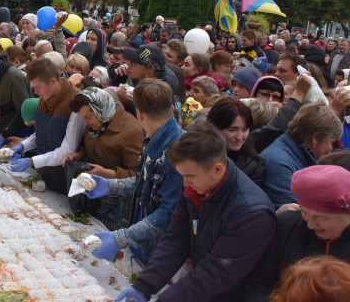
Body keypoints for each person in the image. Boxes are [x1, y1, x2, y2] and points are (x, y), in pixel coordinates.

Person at [115, 121, 275, 302]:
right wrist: (144, 285)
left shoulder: (252, 214)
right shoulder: (196, 187)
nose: (185, 183)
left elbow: (214, 274)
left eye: (190, 176)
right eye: (182, 175)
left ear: (217, 169)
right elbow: (177, 238)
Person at [84, 79, 184, 264]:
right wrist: (110, 186)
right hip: (144, 237)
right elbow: (144, 181)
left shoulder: (177, 149)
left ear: (139, 113)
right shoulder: (153, 136)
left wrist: (120, 238)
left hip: (164, 251)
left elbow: (168, 212)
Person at [244, 165, 350, 301]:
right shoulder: (285, 227)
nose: (310, 225)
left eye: (320, 218)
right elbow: (258, 283)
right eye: (305, 213)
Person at [64, 87, 144, 228]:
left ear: (101, 109)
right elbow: (88, 148)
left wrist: (107, 174)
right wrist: (78, 154)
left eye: (88, 116)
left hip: (113, 201)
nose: (85, 122)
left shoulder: (131, 131)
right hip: (89, 191)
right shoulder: (95, 124)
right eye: (82, 117)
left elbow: (136, 175)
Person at [8, 57, 83, 193]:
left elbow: (67, 150)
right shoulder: (45, 96)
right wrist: (23, 145)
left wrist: (31, 161)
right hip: (45, 174)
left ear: (53, 81)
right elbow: (42, 132)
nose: (36, 93)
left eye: (38, 87)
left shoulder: (75, 103)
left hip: (63, 179)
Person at [261, 103, 341, 208]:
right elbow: (294, 215)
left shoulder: (294, 154)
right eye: (332, 142)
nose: (331, 149)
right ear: (315, 138)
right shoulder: (279, 163)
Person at [207, 97, 265, 187]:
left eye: (245, 130)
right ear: (214, 127)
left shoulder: (254, 164)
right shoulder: (195, 153)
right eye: (232, 130)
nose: (240, 137)